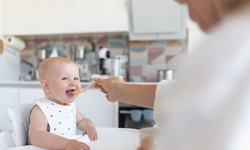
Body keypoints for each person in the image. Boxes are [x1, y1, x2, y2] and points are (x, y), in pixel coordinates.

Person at [94, 0, 250, 149]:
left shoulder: (231, 48)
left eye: (186, 2)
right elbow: (190, 95)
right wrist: (118, 89)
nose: (189, 15)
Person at [29, 57, 97, 150]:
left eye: (76, 78)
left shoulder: (70, 107)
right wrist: (66, 144)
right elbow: (36, 136)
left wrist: (89, 126)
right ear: (47, 86)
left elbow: (82, 120)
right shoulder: (41, 110)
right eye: (65, 78)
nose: (73, 83)